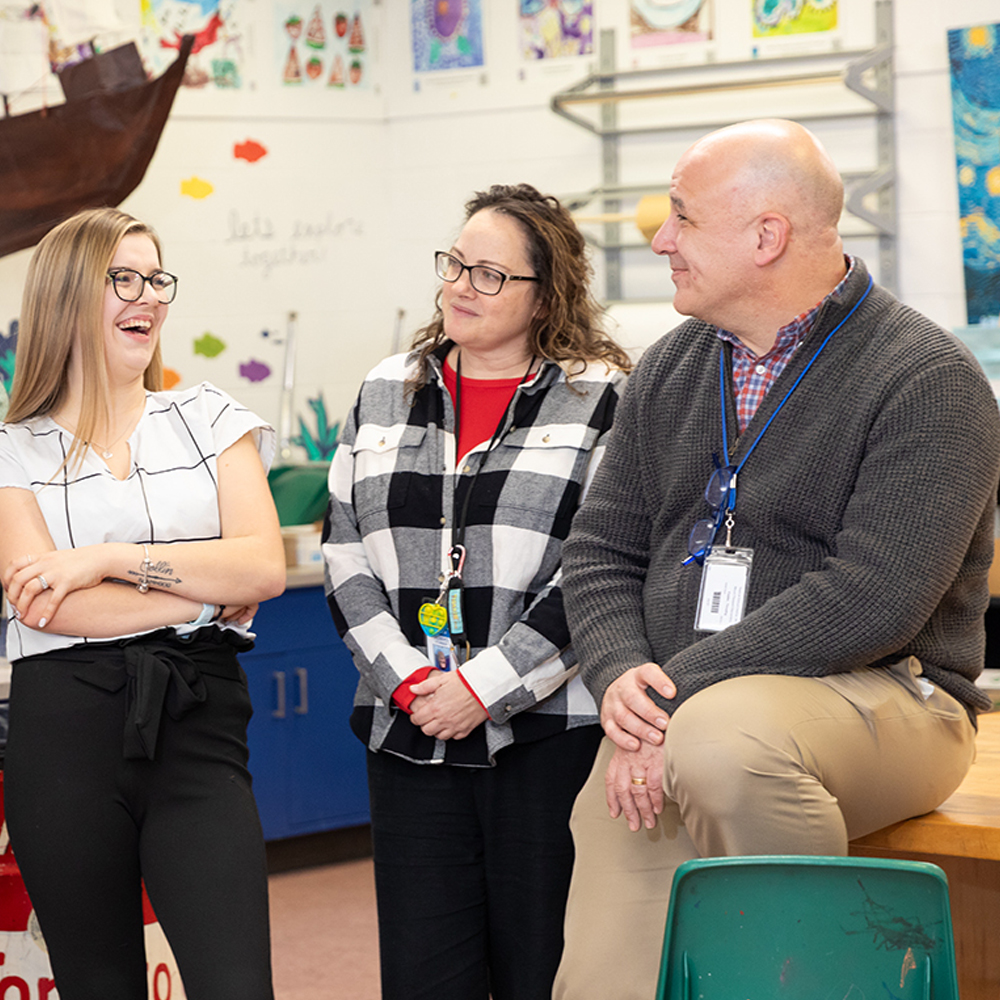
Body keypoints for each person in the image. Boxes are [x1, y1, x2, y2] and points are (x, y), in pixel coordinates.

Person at [553, 119, 1000, 1000]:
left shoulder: (927, 378)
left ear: (767, 236)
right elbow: (601, 550)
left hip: (893, 693)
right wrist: (624, 681)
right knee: (606, 869)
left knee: (725, 745)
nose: (659, 239)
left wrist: (671, 693)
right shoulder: (671, 371)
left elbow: (874, 599)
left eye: (680, 217)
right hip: (690, 707)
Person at [322, 183, 631, 1000]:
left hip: (550, 737)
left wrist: (481, 689)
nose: (462, 285)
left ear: (545, 293)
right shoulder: (385, 389)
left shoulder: (601, 397)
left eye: (491, 274)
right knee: (425, 976)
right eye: (456, 264)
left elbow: (601, 569)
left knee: (544, 968)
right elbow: (345, 552)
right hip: (409, 730)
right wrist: (414, 682)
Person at [0, 207, 285, 1000]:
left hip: (196, 727)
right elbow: (47, 608)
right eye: (122, 278)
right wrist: (199, 594)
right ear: (65, 296)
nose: (148, 297)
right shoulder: (11, 448)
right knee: (99, 987)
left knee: (237, 986)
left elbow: (263, 566)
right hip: (63, 740)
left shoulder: (208, 419)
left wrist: (107, 561)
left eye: (157, 278)